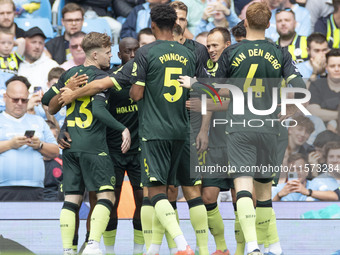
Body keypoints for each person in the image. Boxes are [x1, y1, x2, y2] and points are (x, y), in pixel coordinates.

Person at [181, 2, 306, 254]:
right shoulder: (281, 52)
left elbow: (217, 90)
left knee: (243, 187)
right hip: (269, 128)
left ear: (246, 22)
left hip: (239, 128)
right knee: (264, 191)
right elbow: (300, 86)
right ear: (269, 24)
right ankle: (275, 246)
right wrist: (289, 109)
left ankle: (251, 246)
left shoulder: (233, 52)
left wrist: (195, 83)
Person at [42, 32, 131, 255]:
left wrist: (68, 89)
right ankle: (92, 244)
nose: (111, 57)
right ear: (94, 54)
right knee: (107, 196)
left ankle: (68, 249)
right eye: (108, 53)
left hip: (70, 148)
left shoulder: (69, 74)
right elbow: (99, 110)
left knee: (71, 199)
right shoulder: (101, 77)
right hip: (94, 146)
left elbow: (48, 104)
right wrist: (122, 128)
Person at [129, 4, 197, 254]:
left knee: (154, 192)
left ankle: (182, 244)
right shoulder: (188, 53)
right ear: (175, 26)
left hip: (154, 130)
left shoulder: (146, 52)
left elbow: (136, 94)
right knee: (169, 192)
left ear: (153, 25)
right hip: (181, 129)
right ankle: (153, 249)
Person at [0, 76, 59, 201]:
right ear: (5, 97)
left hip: (35, 188)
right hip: (3, 188)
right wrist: (10, 144)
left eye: (24, 100)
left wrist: (40, 145)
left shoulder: (38, 120)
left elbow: (55, 151)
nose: (20, 104)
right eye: (15, 100)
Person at [18, 27, 59, 94]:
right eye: (33, 42)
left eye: (41, 43)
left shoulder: (52, 66)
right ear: (24, 43)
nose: (37, 46)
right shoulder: (15, 63)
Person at [307, 49, 340, 126]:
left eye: (339, 66)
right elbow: (313, 112)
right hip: (321, 132)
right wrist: (338, 115)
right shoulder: (317, 85)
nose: (336, 69)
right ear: (326, 67)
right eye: (332, 66)